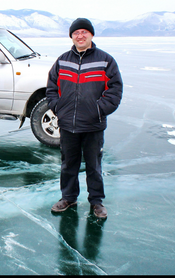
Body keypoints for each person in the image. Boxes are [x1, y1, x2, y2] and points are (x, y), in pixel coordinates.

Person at [46, 18, 123, 218]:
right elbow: (52, 88)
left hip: (93, 124)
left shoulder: (105, 60)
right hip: (68, 124)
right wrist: (58, 108)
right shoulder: (63, 60)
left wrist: (99, 110)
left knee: (93, 165)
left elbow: (115, 90)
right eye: (76, 33)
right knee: (68, 164)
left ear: (91, 35)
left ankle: (96, 202)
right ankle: (68, 197)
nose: (80, 36)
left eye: (84, 32)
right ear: (71, 36)